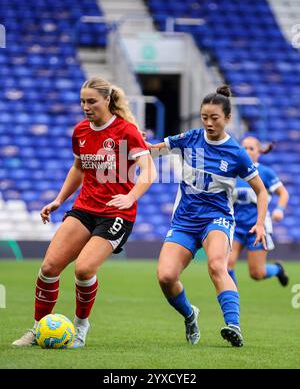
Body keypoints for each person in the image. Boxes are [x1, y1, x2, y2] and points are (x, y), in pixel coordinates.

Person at [12, 77, 156, 348]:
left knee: (84, 269)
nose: (85, 106)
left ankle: (80, 326)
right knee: (48, 268)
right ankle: (37, 329)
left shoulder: (127, 131)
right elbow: (78, 168)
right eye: (82, 101)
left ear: (106, 100)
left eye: (91, 101)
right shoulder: (80, 131)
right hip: (84, 208)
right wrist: (58, 199)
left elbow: (149, 170)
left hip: (116, 213)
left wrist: (131, 196)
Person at [150, 85, 268, 347]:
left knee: (217, 264)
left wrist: (260, 223)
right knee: (166, 277)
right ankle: (190, 315)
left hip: (217, 217)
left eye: (214, 117)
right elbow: (155, 149)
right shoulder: (191, 138)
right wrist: (135, 147)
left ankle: (233, 326)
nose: (209, 122)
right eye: (204, 117)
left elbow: (262, 192)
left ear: (227, 118)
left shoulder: (236, 153)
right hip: (185, 220)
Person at [228, 136, 289, 287]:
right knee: (226, 266)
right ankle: (232, 304)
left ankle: (277, 269)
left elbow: (283, 193)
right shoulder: (233, 172)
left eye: (251, 148)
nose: (247, 151)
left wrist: (279, 209)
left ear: (259, 152)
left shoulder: (265, 172)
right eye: (244, 148)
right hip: (235, 226)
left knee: (256, 273)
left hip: (257, 227)